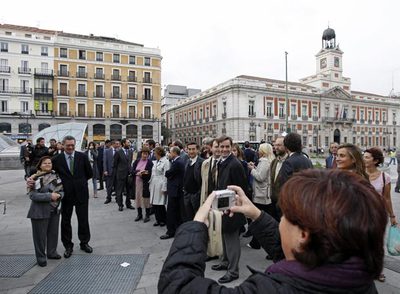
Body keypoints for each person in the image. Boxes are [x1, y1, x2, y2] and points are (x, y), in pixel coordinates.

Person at [159, 169, 387, 293]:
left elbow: (177, 285)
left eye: (285, 216)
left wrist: (196, 226)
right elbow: (296, 253)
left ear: (303, 235)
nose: (281, 221)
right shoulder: (359, 278)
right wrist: (256, 214)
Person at [211, 136, 248, 284]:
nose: (224, 149)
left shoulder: (235, 164)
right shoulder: (222, 162)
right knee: (224, 236)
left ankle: (233, 271)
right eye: (222, 147)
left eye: (227, 147)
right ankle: (225, 262)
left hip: (232, 208)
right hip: (223, 206)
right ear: (218, 147)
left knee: (232, 240)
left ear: (231, 147)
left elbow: (242, 188)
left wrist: (236, 207)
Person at [51, 135, 93, 258]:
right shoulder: (56, 159)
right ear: (63, 145)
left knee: (83, 219)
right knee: (65, 221)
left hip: (81, 194)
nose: (70, 147)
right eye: (68, 145)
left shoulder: (82, 157)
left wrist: (79, 183)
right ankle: (68, 245)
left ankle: (84, 243)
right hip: (65, 195)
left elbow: (89, 173)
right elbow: (47, 172)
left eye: (72, 145)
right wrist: (32, 178)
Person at [27, 156, 63, 267]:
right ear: (40, 165)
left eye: (49, 163)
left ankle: (52, 252)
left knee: (53, 233)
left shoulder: (56, 176)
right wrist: (49, 196)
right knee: (39, 237)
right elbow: (33, 195)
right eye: (45, 163)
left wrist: (60, 195)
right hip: (39, 211)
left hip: (54, 209)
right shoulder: (35, 178)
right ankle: (41, 257)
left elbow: (62, 190)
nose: (48, 165)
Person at [247, 143, 275, 249]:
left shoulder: (264, 162)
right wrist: (255, 168)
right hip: (264, 193)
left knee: (258, 219)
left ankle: (256, 242)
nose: (258, 151)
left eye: (259, 149)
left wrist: (251, 169)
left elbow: (260, 177)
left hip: (261, 194)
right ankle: (256, 242)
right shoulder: (269, 161)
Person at [161, 146, 185, 239]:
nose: (169, 154)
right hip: (176, 190)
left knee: (171, 211)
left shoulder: (177, 163)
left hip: (175, 191)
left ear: (174, 153)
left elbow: (168, 173)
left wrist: (167, 173)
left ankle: (170, 231)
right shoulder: (178, 161)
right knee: (176, 212)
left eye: (170, 152)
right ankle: (176, 230)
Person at [182, 142, 204, 222]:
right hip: (187, 194)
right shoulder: (187, 162)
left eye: (193, 149)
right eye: (189, 149)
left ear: (197, 150)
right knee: (189, 216)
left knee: (197, 217)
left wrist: (198, 193)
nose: (191, 151)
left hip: (196, 195)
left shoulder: (202, 162)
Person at [149, 146, 170, 227]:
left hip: (160, 183)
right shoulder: (155, 161)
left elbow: (166, 175)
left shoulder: (166, 162)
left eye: (155, 153)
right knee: (155, 203)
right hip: (154, 183)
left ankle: (163, 220)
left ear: (159, 153)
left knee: (160, 203)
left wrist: (164, 187)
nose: (154, 154)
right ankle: (158, 219)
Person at [131, 146, 153, 221]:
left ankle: (147, 215)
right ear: (141, 154)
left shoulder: (150, 162)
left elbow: (150, 173)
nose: (145, 155)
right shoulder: (137, 161)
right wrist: (137, 173)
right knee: (138, 199)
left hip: (145, 183)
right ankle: (139, 214)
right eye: (143, 154)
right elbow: (132, 171)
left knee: (146, 199)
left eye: (146, 154)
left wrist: (143, 174)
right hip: (137, 184)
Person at [113, 138, 135, 211]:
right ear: (123, 144)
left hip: (129, 175)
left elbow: (130, 163)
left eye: (129, 142)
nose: (129, 144)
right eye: (128, 142)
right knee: (120, 191)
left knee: (129, 190)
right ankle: (120, 205)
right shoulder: (118, 152)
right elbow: (115, 164)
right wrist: (116, 175)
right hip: (120, 175)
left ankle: (128, 204)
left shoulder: (130, 152)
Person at [270, 136, 287, 221]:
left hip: (284, 203)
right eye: (275, 145)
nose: (276, 147)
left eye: (279, 145)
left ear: (286, 146)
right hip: (273, 201)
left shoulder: (289, 162)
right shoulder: (274, 162)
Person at [103, 140, 120, 204]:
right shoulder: (107, 151)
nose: (118, 145)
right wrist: (105, 170)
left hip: (117, 172)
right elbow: (105, 161)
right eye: (117, 144)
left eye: (119, 144)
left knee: (117, 186)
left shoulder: (119, 151)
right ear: (113, 144)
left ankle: (117, 198)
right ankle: (108, 198)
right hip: (109, 171)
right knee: (109, 186)